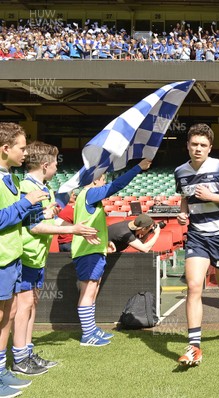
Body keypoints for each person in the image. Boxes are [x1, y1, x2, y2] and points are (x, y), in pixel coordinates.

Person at [13, 141, 98, 377]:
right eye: (55, 165)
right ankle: (20, 357)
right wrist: (73, 231)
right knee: (24, 306)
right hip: (26, 255)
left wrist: (74, 226)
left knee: (32, 304)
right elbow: (35, 227)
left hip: (37, 257)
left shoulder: (44, 188)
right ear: (45, 165)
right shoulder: (27, 188)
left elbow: (48, 221)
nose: (57, 169)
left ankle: (27, 352)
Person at [175, 123, 219, 366]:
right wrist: (183, 213)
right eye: (194, 144)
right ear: (187, 145)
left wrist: (212, 196)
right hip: (197, 236)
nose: (198, 149)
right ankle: (194, 346)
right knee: (194, 287)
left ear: (210, 148)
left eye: (203, 145)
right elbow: (185, 198)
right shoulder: (180, 171)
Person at [72, 158, 152, 347]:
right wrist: (138, 168)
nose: (104, 184)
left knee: (93, 289)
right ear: (94, 180)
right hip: (87, 251)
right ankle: (87, 335)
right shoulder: (89, 193)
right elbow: (116, 186)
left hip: (94, 249)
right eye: (102, 180)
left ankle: (91, 330)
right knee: (88, 291)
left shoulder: (86, 197)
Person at [0, 123, 50, 396]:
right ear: (5, 148)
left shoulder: (12, 179)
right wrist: (27, 202)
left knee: (7, 317)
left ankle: (2, 372)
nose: (25, 152)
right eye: (21, 147)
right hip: (2, 258)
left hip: (13, 257)